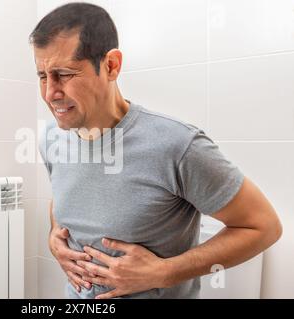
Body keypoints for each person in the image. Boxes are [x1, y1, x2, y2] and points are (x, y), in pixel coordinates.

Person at [30, 2, 282, 299]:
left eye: (65, 74)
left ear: (111, 66)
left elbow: (263, 227)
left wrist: (164, 272)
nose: (50, 93)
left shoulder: (176, 145)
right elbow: (64, 198)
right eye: (43, 76)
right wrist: (54, 237)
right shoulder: (51, 138)